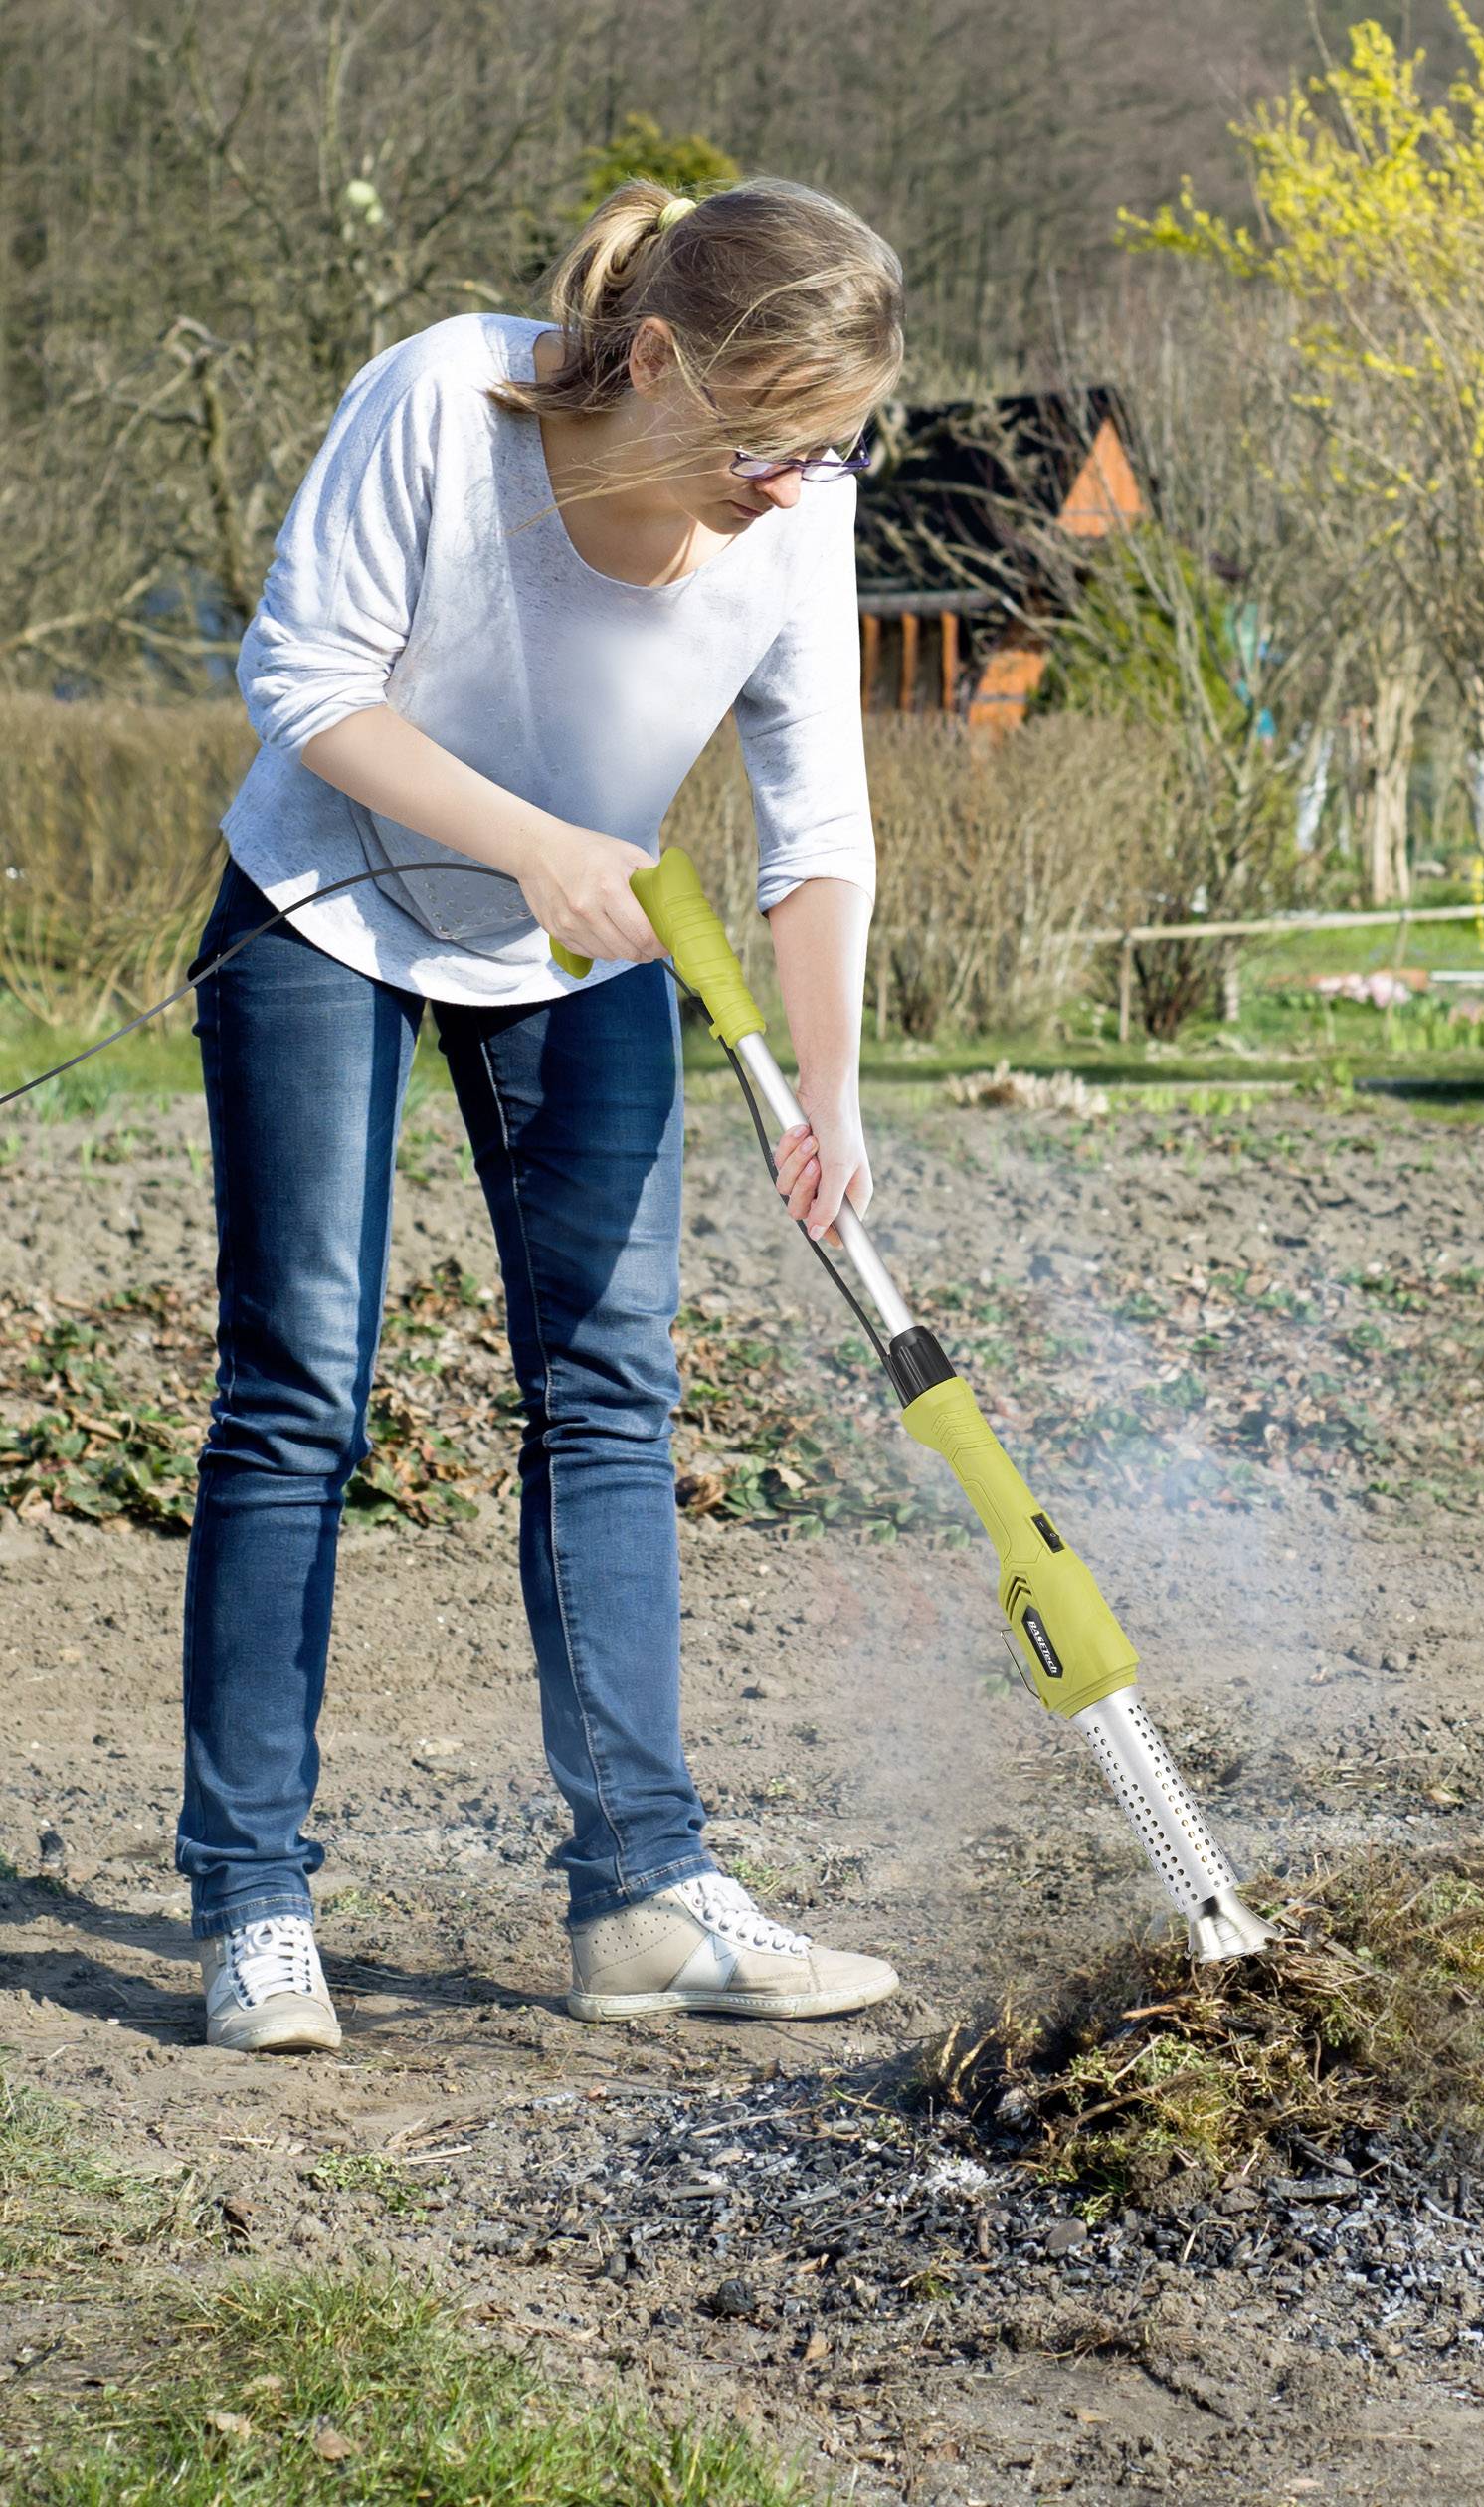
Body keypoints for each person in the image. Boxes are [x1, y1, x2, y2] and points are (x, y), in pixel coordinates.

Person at [181, 176, 906, 2053]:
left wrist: (823, 1092)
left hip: (583, 943)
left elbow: (814, 833)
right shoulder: (441, 400)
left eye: (829, 453)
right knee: (297, 1384)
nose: (791, 489)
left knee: (607, 1383)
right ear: (657, 358)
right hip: (325, 906)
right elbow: (301, 679)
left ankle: (645, 1899)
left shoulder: (798, 511)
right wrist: (534, 847)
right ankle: (255, 1903)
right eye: (766, 443)